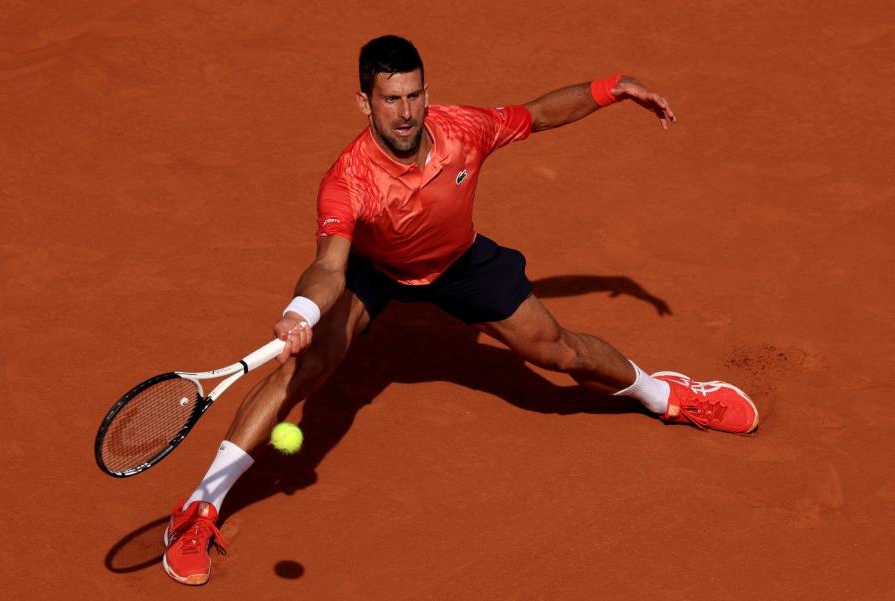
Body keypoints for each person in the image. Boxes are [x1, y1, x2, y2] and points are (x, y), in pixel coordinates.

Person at [161, 34, 759, 585]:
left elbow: (536, 115)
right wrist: (300, 311)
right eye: (390, 98)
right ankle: (198, 507)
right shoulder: (348, 180)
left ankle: (668, 396)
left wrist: (611, 89)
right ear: (363, 102)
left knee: (560, 352)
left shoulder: (463, 130)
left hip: (460, 263)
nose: (405, 112)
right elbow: (329, 267)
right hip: (375, 271)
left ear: (428, 93)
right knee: (304, 370)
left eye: (414, 95)